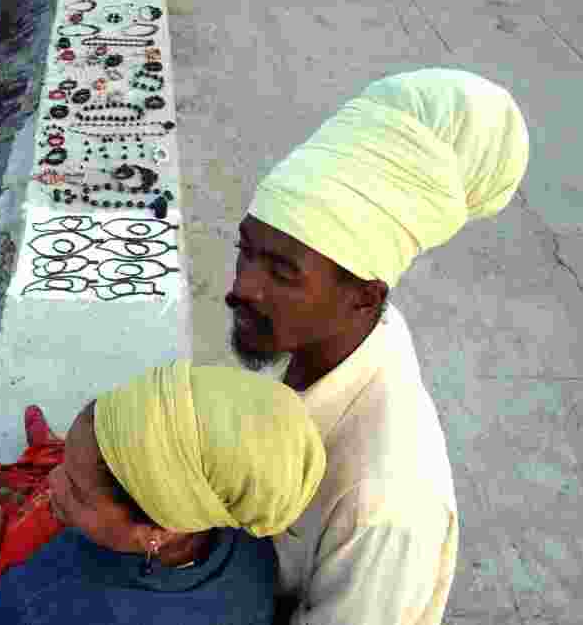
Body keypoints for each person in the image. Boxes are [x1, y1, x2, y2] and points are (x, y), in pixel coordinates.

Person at [225, 68, 530, 624]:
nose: (241, 286)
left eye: (281, 272)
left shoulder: (384, 502)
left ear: (364, 296)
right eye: (246, 250)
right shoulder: (335, 338)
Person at [0, 359, 325, 625]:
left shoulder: (41, 602)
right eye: (63, 463)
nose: (52, 482)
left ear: (156, 531)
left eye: (76, 488)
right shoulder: (251, 549)